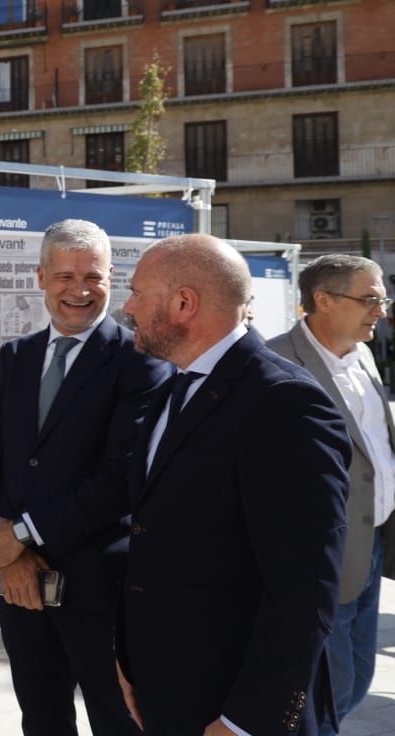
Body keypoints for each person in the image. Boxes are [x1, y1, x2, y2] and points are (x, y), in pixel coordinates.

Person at [118, 234, 350, 736]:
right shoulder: (171, 386)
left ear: (184, 303)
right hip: (165, 691)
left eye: (137, 292)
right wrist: (129, 659)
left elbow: (305, 589)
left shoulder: (285, 404)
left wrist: (247, 720)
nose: (127, 305)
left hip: (234, 709)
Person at [0, 219, 170, 736]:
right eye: (64, 276)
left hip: (100, 587)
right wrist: (8, 551)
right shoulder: (17, 356)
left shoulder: (142, 362)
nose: (79, 290)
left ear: (112, 277)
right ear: (40, 277)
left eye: (93, 277)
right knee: (41, 716)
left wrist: (22, 536)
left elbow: (120, 476)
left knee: (116, 718)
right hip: (17, 583)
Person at [266, 254, 394, 734]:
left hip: (372, 545)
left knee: (358, 678)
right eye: (370, 300)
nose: (380, 311)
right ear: (322, 300)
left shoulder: (362, 355)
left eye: (382, 299)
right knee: (331, 686)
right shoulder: (276, 361)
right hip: (319, 553)